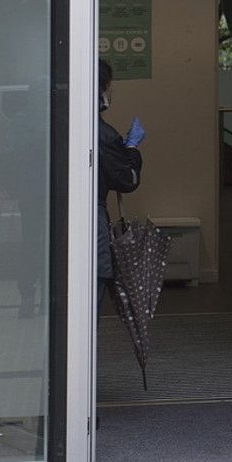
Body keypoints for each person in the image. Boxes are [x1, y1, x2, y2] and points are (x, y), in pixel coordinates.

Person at [97, 58, 144, 308]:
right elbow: (127, 179)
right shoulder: (102, 134)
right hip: (93, 221)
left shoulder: (55, 124)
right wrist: (132, 148)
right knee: (94, 284)